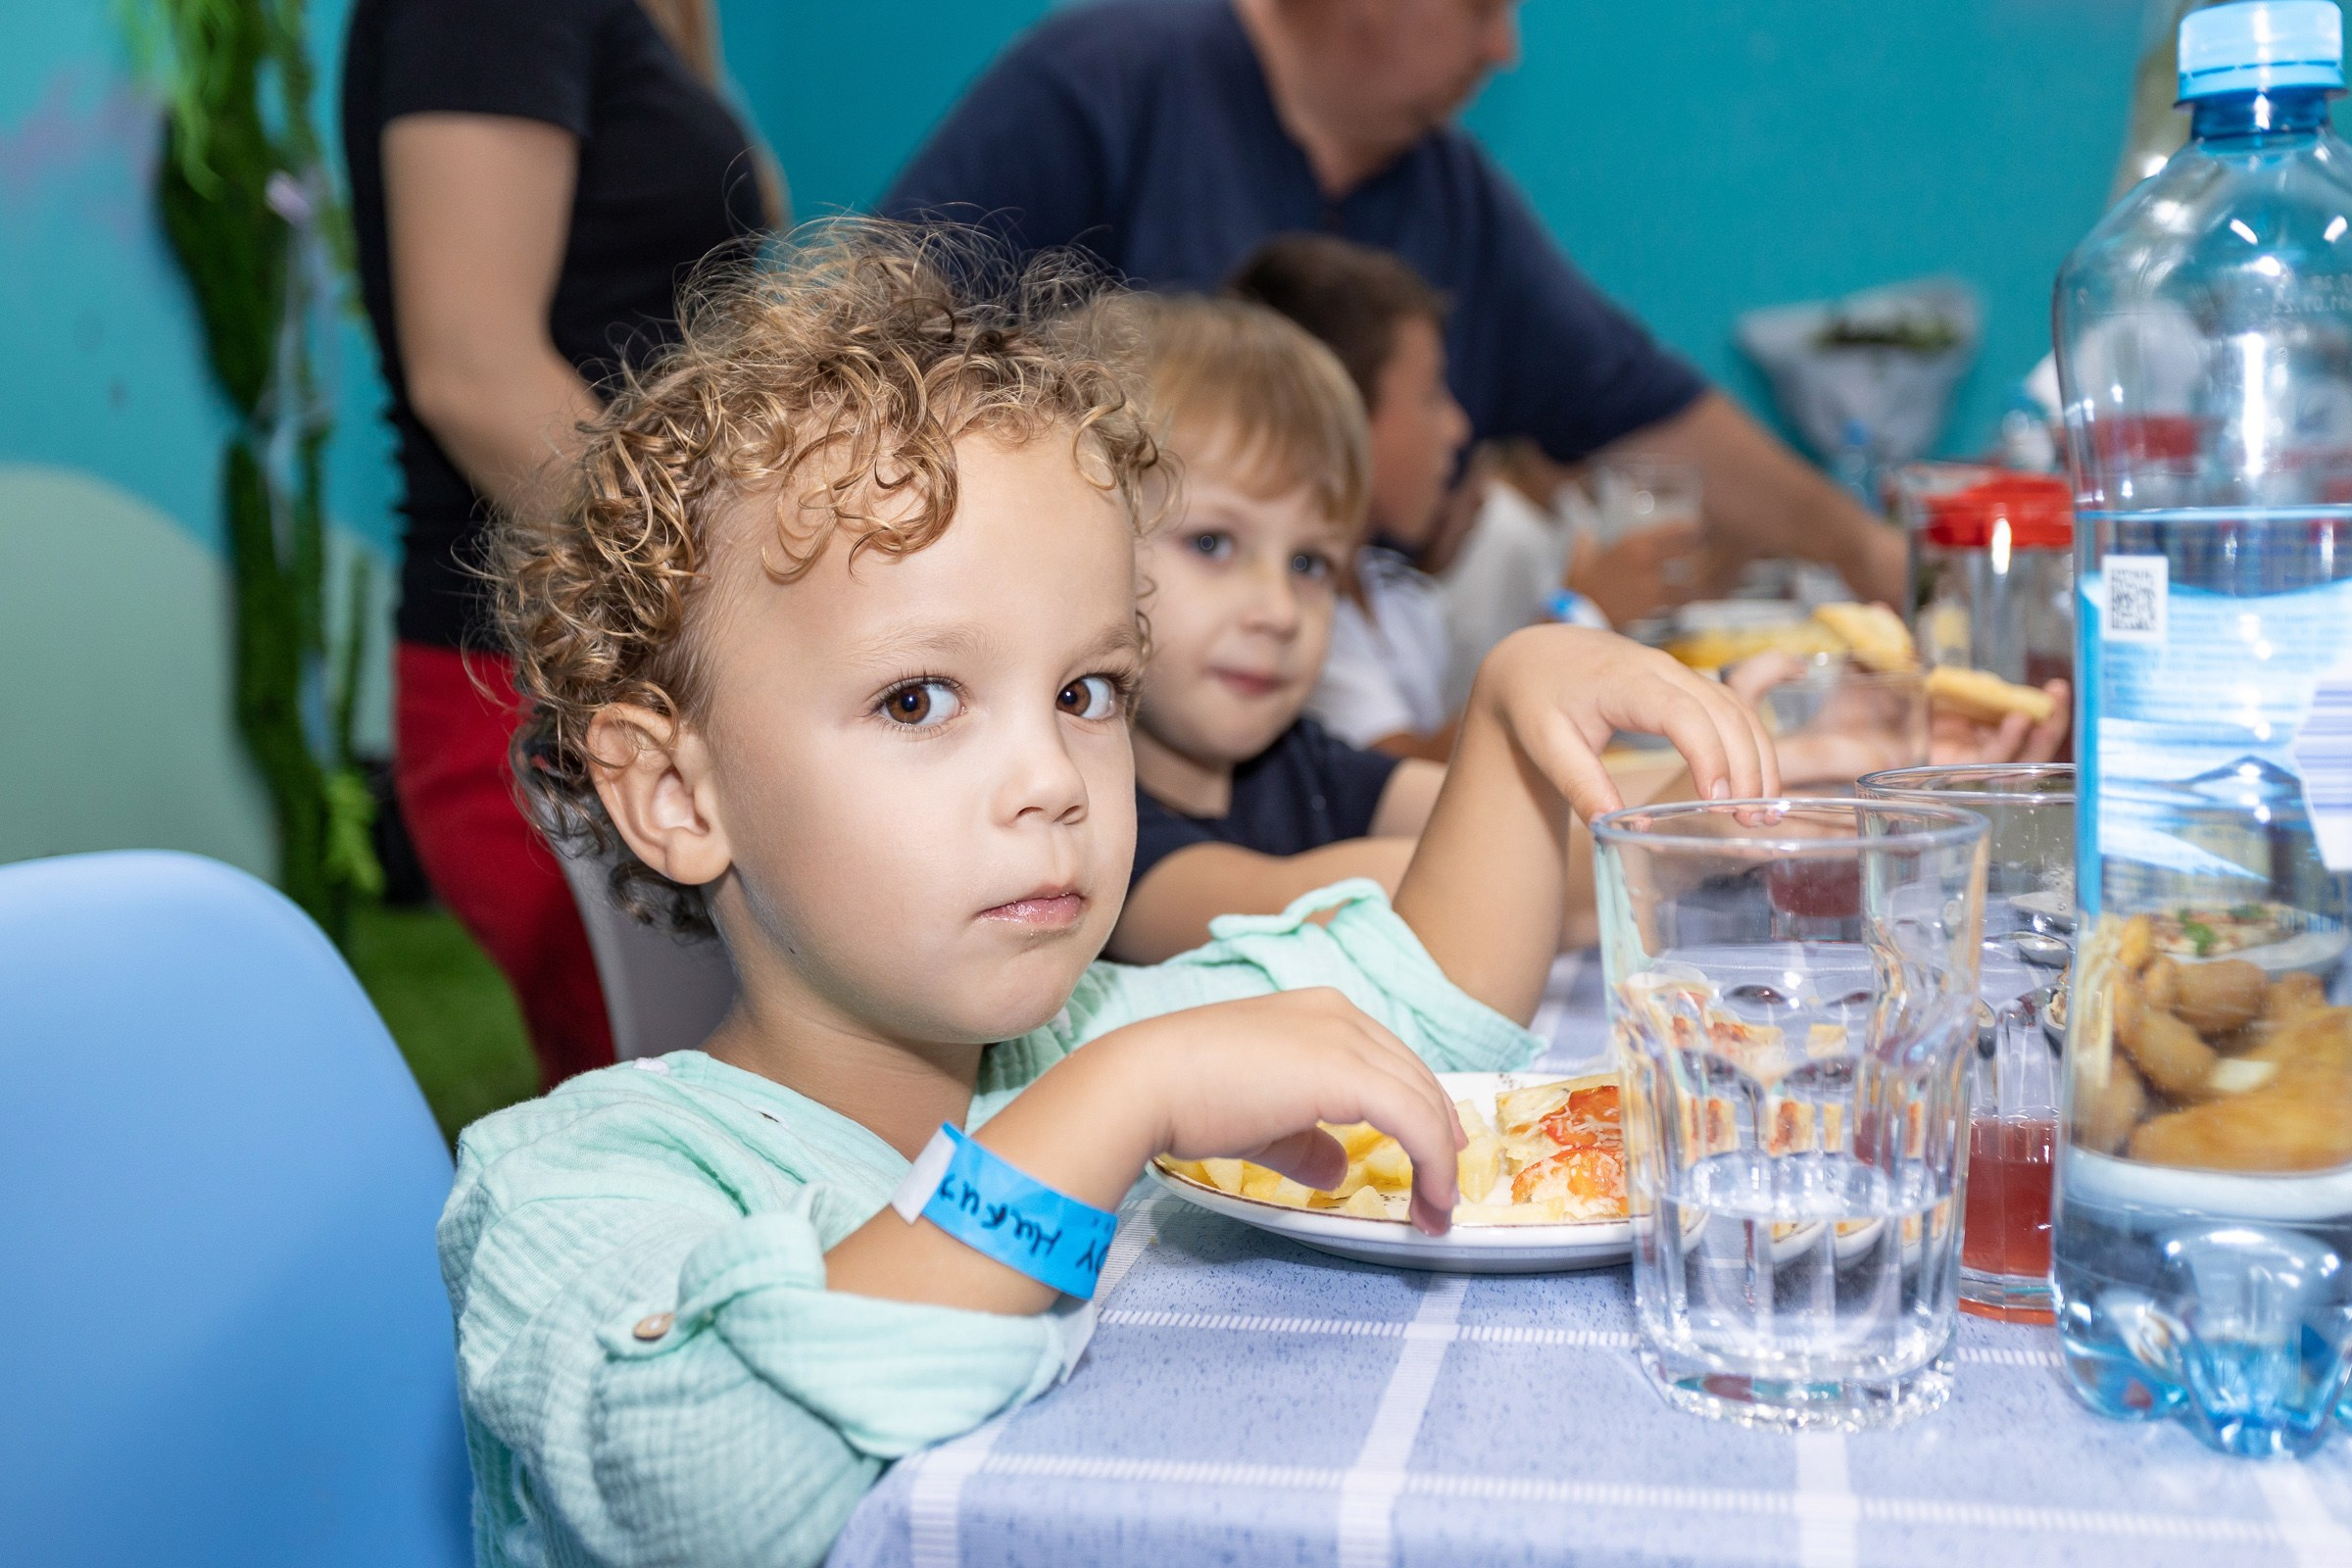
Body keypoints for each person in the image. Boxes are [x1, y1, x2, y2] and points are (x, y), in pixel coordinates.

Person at [443, 223, 1774, 1566]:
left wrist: (1507, 727)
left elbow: (1417, 1001)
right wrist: (1114, 1106)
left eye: (1087, 693)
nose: (1053, 779)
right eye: (920, 698)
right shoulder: (576, 1185)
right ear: (676, 795)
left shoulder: (1074, 1037)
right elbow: (700, 1476)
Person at [881, 0, 1908, 607]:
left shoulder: (1449, 193)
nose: (1504, 47)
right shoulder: (1104, 85)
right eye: (1481, 6)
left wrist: (1869, 555)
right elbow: (879, 348)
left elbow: (1641, 407)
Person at [340, 0, 775, 1085]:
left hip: (643, 663)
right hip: (548, 681)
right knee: (671, 1125)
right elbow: (478, 376)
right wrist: (727, 602)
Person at [1092, 291, 1443, 962]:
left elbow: (1549, 823)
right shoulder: (1086, 823)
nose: (1280, 612)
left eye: (1310, 563)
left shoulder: (1299, 765)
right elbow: (1299, 914)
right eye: (1214, 544)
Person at [1228, 233, 1469, 758]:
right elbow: (1418, 785)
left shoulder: (1401, 599)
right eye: (1431, 394)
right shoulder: (1293, 632)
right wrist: (1571, 625)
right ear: (1344, 418)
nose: (1456, 426)